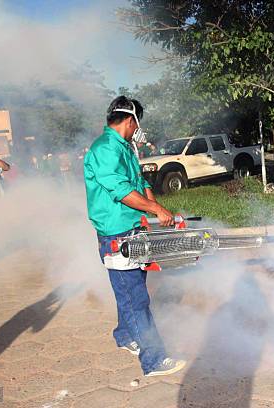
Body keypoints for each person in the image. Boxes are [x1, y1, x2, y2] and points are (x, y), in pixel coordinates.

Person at [83, 96, 186, 377]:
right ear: (131, 120)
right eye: (139, 123)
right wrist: (155, 208)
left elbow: (139, 182)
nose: (139, 129)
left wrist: (156, 213)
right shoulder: (105, 148)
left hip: (133, 226)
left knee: (131, 287)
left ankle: (124, 335)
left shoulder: (124, 147)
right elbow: (119, 189)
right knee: (135, 298)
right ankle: (153, 360)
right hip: (116, 232)